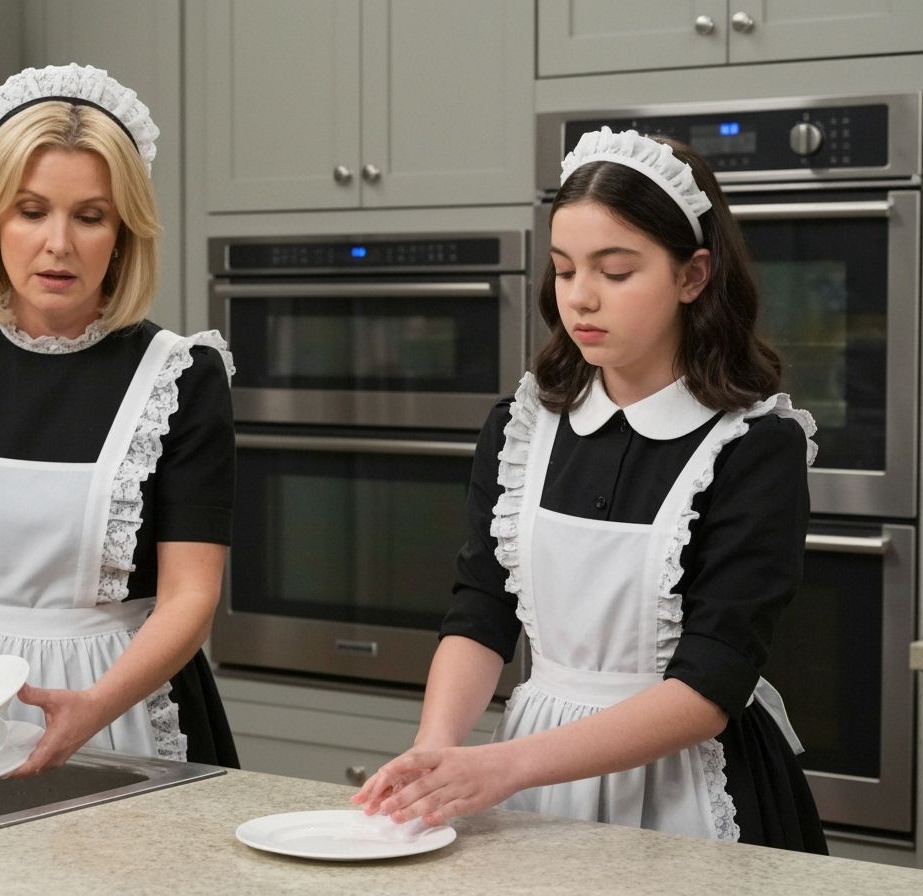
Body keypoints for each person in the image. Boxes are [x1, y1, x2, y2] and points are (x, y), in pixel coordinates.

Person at [353, 127, 827, 853]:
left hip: (687, 784)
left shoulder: (753, 446)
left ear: (692, 276)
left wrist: (503, 766)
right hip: (530, 774)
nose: (581, 300)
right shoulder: (522, 427)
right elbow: (481, 609)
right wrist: (438, 748)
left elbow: (711, 685)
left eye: (616, 271)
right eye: (565, 269)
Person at [0, 63, 238, 775]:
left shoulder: (181, 377)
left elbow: (191, 595)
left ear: (123, 235)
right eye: (31, 211)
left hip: (127, 706)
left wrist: (95, 706)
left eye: (90, 216)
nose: (59, 242)